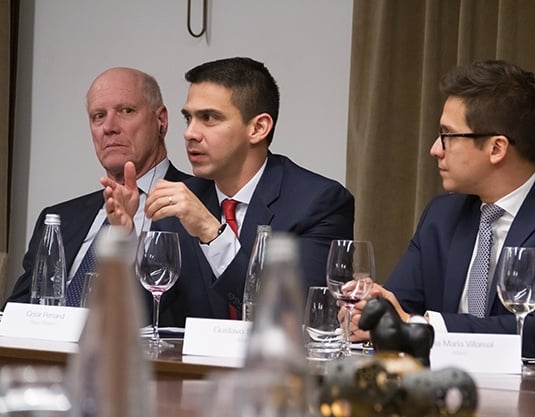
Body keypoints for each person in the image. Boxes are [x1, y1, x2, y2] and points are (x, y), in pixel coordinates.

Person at [350, 60, 535, 359]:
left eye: (448, 136)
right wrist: (368, 314)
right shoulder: (441, 215)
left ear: (496, 148)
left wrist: (423, 326)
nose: (435, 149)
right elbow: (400, 308)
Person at [102, 57, 354, 325]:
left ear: (258, 128)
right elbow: (147, 320)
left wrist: (211, 232)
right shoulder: (180, 201)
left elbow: (302, 316)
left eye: (208, 118)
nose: (189, 133)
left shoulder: (318, 203)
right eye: (188, 118)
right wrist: (126, 239)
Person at [5, 67, 189, 306]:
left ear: (161, 120)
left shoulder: (201, 201)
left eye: (126, 111)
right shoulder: (60, 217)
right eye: (98, 116)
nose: (109, 127)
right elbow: (16, 310)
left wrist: (126, 237)